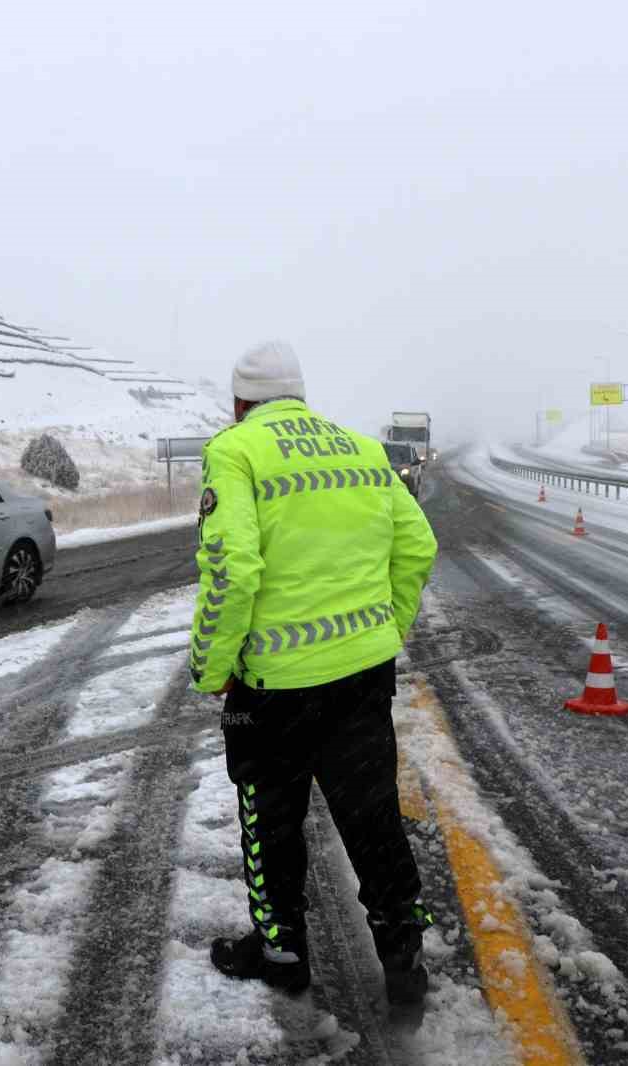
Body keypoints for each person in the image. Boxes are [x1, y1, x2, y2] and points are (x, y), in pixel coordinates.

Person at [189, 340, 440, 1005]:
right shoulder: (361, 450)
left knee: (270, 822)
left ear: (240, 402)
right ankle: (404, 955)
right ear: (299, 395)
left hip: (270, 692)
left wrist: (211, 666)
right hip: (362, 679)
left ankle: (282, 953)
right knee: (373, 819)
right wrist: (386, 629)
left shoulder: (235, 451)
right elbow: (419, 544)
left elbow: (233, 571)